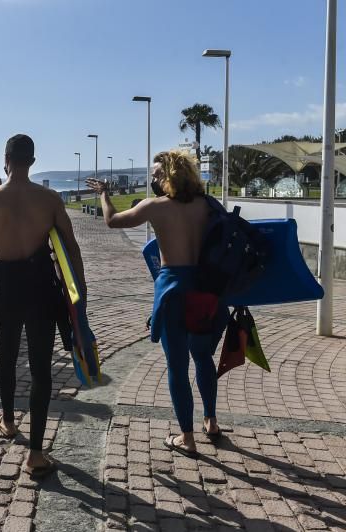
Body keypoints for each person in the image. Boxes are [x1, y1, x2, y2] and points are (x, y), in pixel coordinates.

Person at [0, 134, 86, 479]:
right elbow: (71, 248)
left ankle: (9, 422)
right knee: (41, 368)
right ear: (33, 160)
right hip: (42, 285)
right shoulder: (50, 198)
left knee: (8, 356)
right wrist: (79, 293)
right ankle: (36, 455)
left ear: (6, 159)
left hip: (8, 286)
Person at [86, 151, 227, 458]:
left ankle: (186, 438)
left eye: (156, 174)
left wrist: (105, 194)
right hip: (207, 290)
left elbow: (111, 221)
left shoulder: (155, 207)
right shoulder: (209, 205)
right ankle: (211, 422)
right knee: (203, 358)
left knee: (177, 366)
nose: (152, 179)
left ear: (170, 176)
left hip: (173, 290)